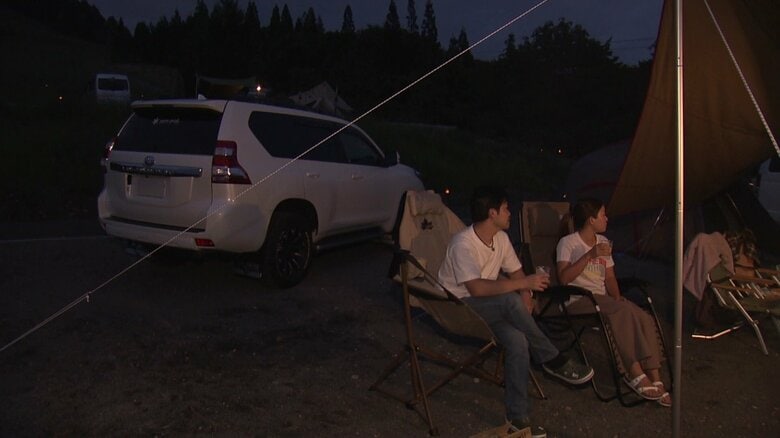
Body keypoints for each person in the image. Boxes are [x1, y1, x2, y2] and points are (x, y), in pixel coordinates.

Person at [438, 186, 594, 438]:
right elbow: (477, 288)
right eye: (505, 208)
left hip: (488, 307)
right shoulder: (462, 244)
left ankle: (517, 418)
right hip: (458, 307)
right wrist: (522, 287)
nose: (510, 213)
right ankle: (551, 359)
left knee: (518, 340)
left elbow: (517, 273)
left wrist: (526, 295)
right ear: (492, 213)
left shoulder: (500, 238)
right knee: (510, 301)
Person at [556, 198, 671, 407]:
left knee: (642, 316)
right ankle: (634, 373)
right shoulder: (568, 243)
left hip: (603, 300)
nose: (607, 218)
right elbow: (563, 278)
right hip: (579, 300)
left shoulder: (603, 241)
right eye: (603, 215)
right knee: (621, 313)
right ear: (591, 220)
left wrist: (617, 298)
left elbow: (609, 277)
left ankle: (655, 377)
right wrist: (589, 255)